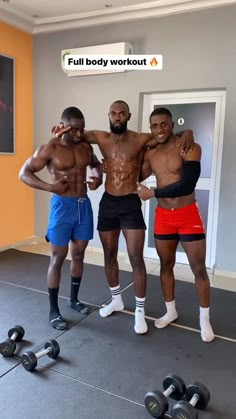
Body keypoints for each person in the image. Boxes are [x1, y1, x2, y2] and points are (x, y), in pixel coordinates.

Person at [53, 100, 194, 335]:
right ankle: (116, 299)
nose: (117, 117)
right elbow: (73, 136)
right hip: (109, 202)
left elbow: (166, 135)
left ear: (128, 116)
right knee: (109, 254)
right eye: (113, 114)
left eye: (122, 114)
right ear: (109, 115)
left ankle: (139, 311)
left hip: (130, 202)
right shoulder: (100, 137)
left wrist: (187, 131)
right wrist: (57, 135)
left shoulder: (140, 139)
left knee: (136, 257)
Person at [19, 106, 103, 330]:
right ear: (63, 126)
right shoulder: (50, 148)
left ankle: (74, 300)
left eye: (82, 129)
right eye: (75, 130)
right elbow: (24, 173)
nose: (79, 134)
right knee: (57, 258)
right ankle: (54, 311)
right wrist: (50, 186)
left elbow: (96, 165)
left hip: (83, 206)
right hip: (62, 207)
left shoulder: (86, 146)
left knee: (78, 255)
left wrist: (97, 177)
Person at [136, 107, 215, 342]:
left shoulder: (189, 147)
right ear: (150, 128)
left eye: (163, 124)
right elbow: (135, 175)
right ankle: (171, 310)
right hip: (164, 217)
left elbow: (187, 185)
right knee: (165, 264)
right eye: (154, 126)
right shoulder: (151, 154)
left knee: (198, 268)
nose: (159, 129)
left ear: (171, 124)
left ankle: (204, 319)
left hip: (188, 214)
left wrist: (153, 192)